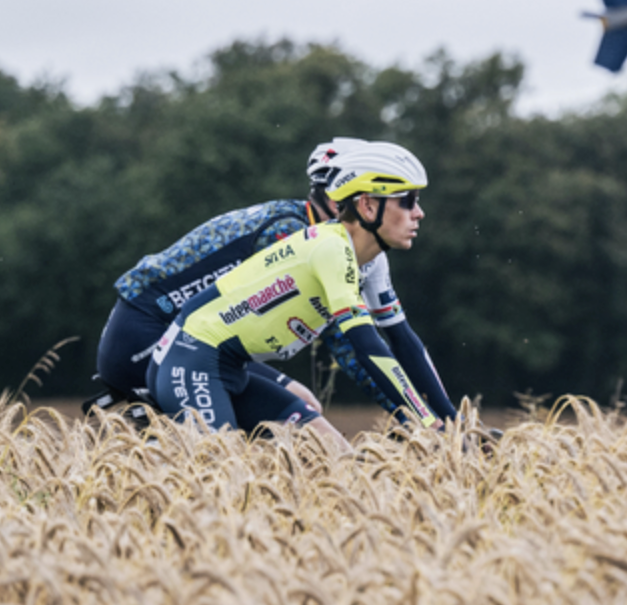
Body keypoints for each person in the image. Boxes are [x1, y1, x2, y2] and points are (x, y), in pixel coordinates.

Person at [90, 136, 460, 422]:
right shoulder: (296, 233)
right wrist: (416, 418)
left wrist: (446, 419)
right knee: (283, 412)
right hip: (147, 331)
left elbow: (399, 338)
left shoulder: (359, 250)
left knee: (306, 413)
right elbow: (351, 346)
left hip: (208, 342)